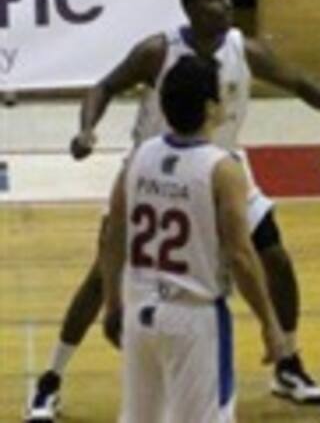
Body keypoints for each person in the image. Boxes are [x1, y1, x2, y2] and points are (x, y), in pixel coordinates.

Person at [23, 0, 320, 421]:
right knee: (103, 275)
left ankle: (287, 362)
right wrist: (86, 129)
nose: (226, 4)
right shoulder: (157, 51)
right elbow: (103, 86)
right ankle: (50, 379)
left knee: (275, 259)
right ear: (192, 7)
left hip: (222, 166)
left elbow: (303, 84)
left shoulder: (246, 49)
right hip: (156, 165)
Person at [98, 55, 287, 422]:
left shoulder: (138, 158)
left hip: (140, 312)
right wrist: (270, 322)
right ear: (211, 107)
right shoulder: (222, 168)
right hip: (194, 316)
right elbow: (241, 255)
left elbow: (113, 236)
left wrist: (111, 302)